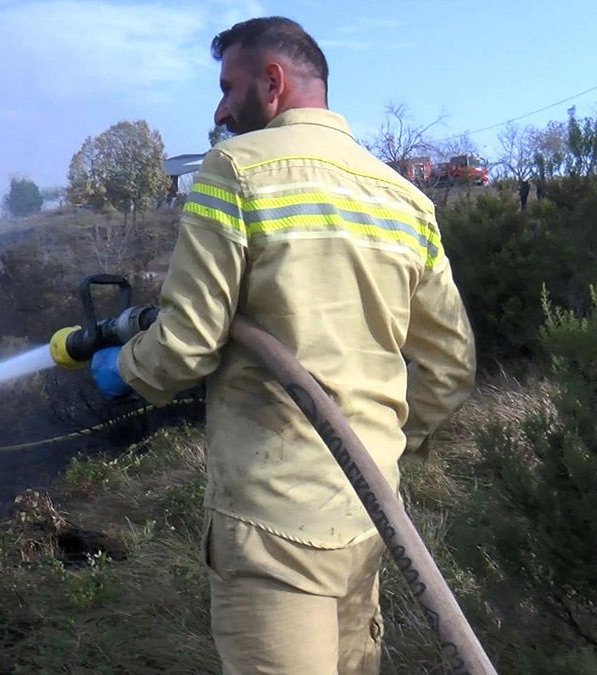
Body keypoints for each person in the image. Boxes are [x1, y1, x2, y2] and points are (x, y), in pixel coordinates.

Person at [88, 16, 477, 674]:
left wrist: (124, 368)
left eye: (227, 88)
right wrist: (386, 448)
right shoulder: (406, 200)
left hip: (272, 524)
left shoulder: (234, 171)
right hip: (369, 514)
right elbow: (450, 366)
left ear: (272, 83)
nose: (219, 110)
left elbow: (186, 345)